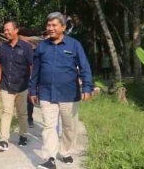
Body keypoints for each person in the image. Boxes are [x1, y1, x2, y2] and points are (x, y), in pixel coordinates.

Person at [30, 12, 93, 169]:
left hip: (69, 94)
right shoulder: (42, 47)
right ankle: (50, 158)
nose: (50, 28)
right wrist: (32, 90)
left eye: (54, 25)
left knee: (69, 126)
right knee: (49, 126)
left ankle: (65, 151)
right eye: (48, 25)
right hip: (46, 93)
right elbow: (35, 70)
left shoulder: (74, 45)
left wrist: (87, 86)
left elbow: (84, 66)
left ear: (63, 27)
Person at [0, 20, 34, 151]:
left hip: (22, 86)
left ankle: (23, 136)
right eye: (4, 30)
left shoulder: (26, 47)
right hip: (6, 86)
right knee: (6, 112)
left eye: (8, 29)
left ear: (16, 30)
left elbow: (31, 66)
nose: (6, 32)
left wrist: (33, 86)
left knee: (22, 113)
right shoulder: (2, 48)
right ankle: (4, 140)